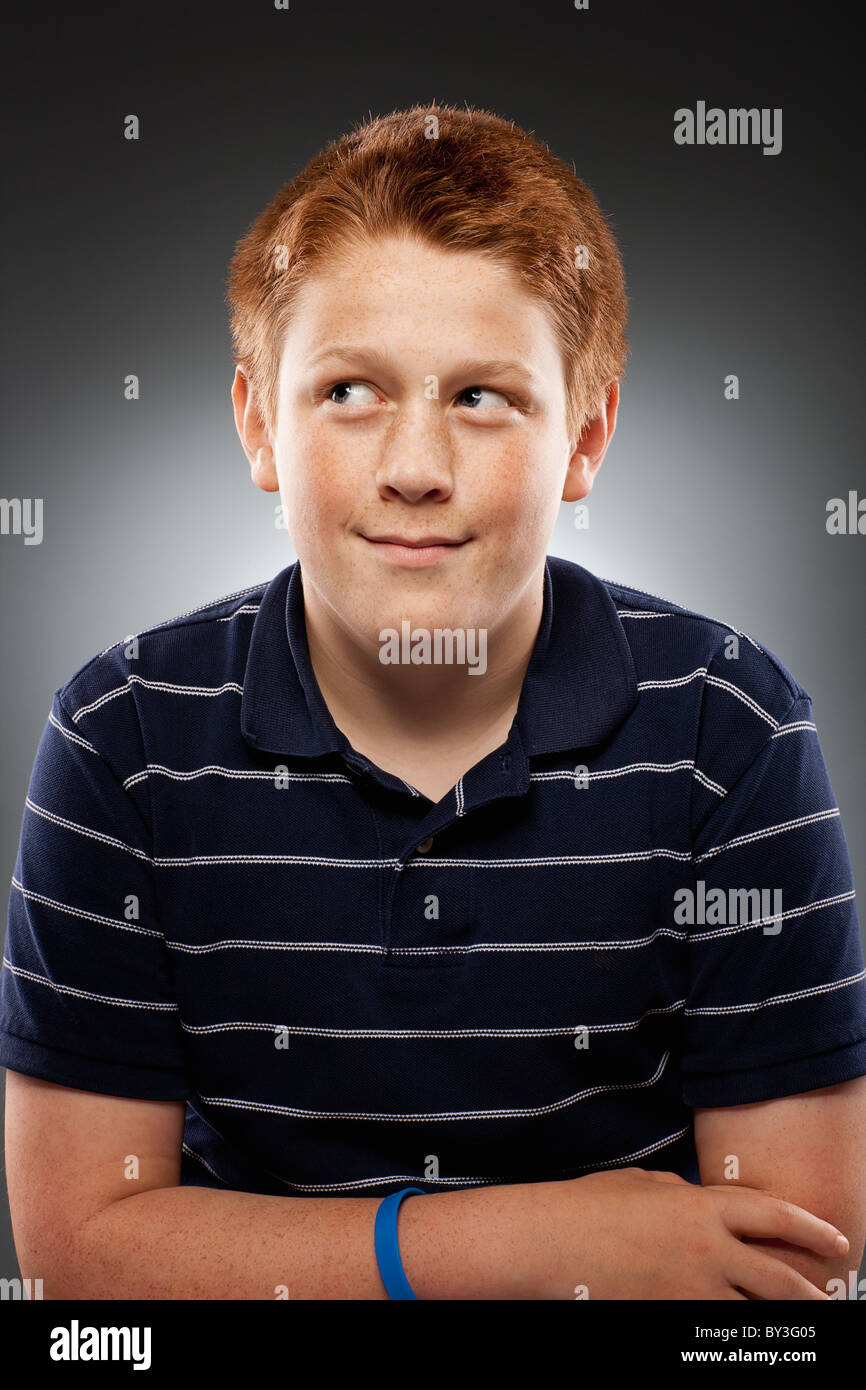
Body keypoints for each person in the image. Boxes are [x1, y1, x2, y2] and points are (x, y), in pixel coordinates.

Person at [2, 103, 865, 1301]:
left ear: (586, 436)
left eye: (480, 398)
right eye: (350, 390)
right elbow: (80, 1253)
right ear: (258, 421)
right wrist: (525, 1249)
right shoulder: (123, 736)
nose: (413, 465)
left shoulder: (730, 726)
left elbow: (785, 1259)